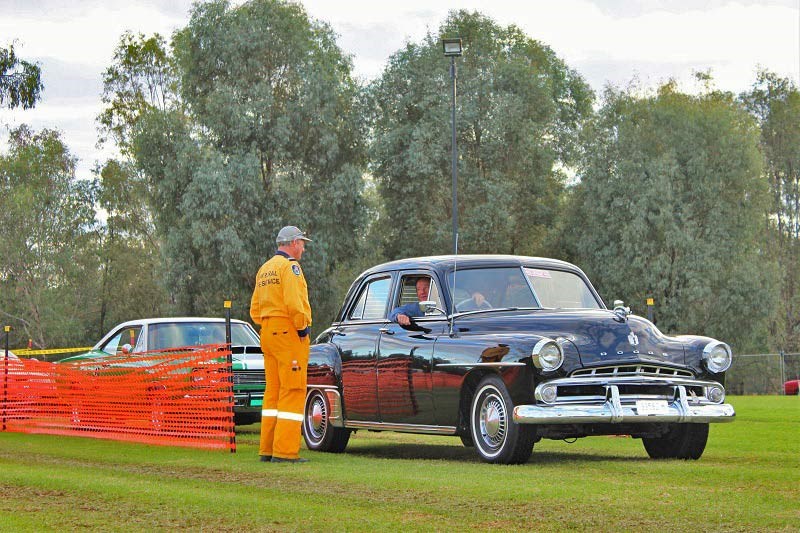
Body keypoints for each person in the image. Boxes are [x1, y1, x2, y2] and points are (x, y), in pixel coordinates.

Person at [250, 225, 312, 464]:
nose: (303, 248)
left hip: (267, 331)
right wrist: (301, 328)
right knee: (293, 390)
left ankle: (267, 449)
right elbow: (294, 303)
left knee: (273, 392)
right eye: (302, 243)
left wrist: (269, 322)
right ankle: (285, 452)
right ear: (294, 242)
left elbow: (255, 309)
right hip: (288, 333)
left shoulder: (265, 268)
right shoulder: (291, 267)